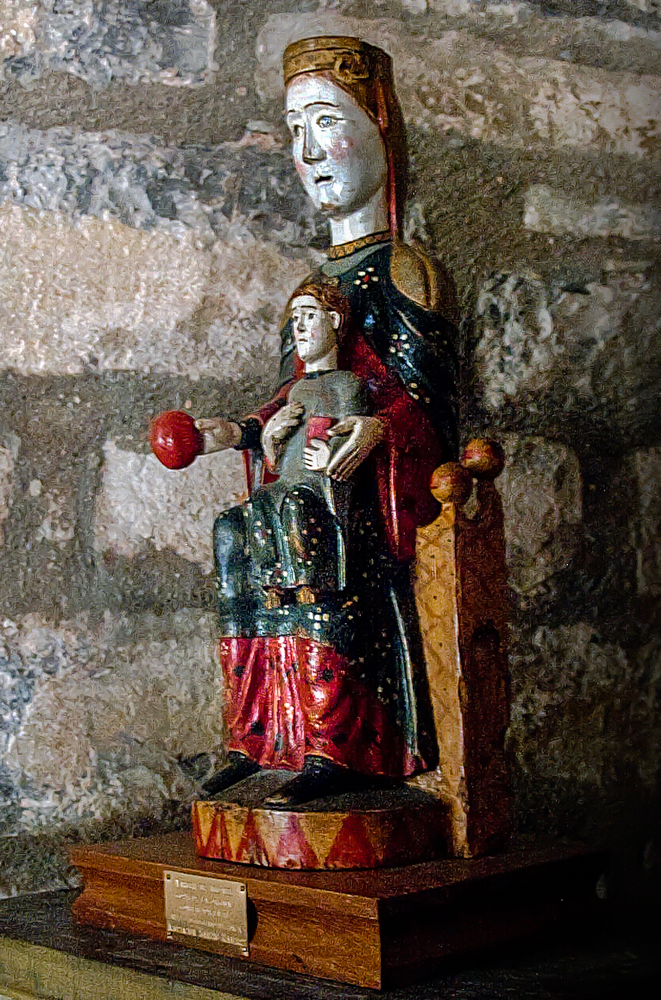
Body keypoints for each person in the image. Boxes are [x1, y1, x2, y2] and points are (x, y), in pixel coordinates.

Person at [196, 37, 460, 807]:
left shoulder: (406, 271)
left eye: (325, 121)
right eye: (292, 130)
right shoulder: (311, 286)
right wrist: (243, 431)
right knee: (237, 550)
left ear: (380, 127)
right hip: (301, 479)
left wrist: (382, 430)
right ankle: (262, 734)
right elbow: (292, 394)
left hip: (364, 504)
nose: (308, 151)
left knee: (311, 557)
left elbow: (431, 407)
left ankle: (336, 740)